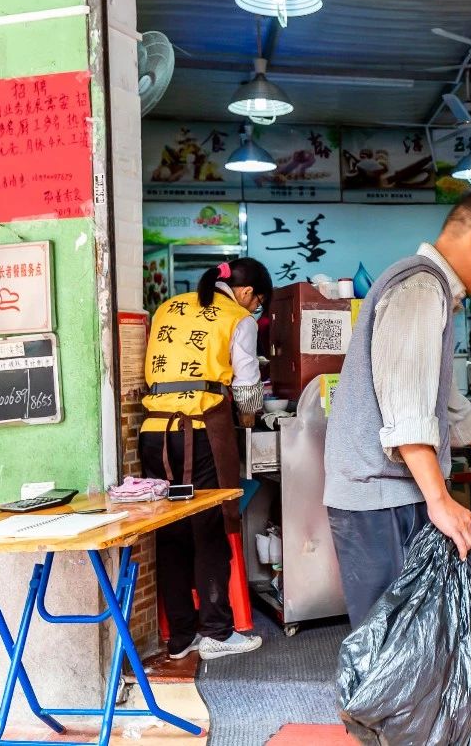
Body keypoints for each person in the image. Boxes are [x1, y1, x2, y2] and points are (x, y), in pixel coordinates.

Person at [323, 186, 471, 627]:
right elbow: (408, 409)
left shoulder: (428, 289)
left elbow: (444, 400)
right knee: (392, 645)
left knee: (406, 645)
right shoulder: (420, 287)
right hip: (382, 497)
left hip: (389, 494)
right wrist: (439, 498)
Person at [140, 258, 272, 661]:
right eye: (258, 303)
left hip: (153, 433)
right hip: (200, 433)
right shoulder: (238, 318)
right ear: (248, 294)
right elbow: (248, 391)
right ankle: (217, 631)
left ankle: (181, 637)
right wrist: (252, 415)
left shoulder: (168, 306)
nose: (255, 310)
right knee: (209, 529)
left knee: (171, 531)